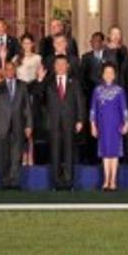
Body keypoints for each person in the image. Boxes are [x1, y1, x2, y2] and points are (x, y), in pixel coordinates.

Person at [43, 54, 85, 189]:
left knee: (69, 152)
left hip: (70, 122)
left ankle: (68, 182)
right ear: (54, 67)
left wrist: (80, 120)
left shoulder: (75, 82)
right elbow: (39, 97)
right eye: (58, 64)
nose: (60, 67)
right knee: (55, 153)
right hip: (53, 122)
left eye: (63, 64)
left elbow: (80, 102)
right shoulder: (48, 83)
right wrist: (39, 80)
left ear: (68, 66)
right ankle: (56, 182)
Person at [0, 62, 33, 189]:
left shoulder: (23, 86)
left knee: (16, 155)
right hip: (2, 125)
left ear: (15, 71)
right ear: (4, 71)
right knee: (2, 155)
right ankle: (4, 181)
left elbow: (27, 107)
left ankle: (14, 181)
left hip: (18, 125)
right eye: (6, 69)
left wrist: (29, 125)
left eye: (11, 69)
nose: (9, 71)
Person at [89, 62, 128, 190]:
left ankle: (113, 181)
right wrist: (93, 125)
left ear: (114, 75)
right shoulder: (97, 90)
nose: (108, 75)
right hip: (102, 125)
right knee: (105, 154)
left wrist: (126, 123)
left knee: (114, 153)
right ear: (102, 74)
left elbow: (124, 109)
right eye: (106, 72)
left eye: (111, 72)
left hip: (116, 125)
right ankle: (106, 180)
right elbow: (93, 109)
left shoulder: (119, 90)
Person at [15, 34, 44, 166]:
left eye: (29, 43)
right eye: (24, 43)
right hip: (19, 93)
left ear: (32, 44)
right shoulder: (16, 58)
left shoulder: (38, 58)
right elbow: (9, 73)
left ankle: (31, 156)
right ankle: (22, 155)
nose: (26, 45)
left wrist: (38, 80)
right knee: (20, 126)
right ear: (21, 45)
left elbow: (40, 76)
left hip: (32, 92)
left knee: (30, 125)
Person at [80, 32, 111, 96]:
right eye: (93, 41)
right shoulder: (85, 57)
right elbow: (82, 76)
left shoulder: (110, 56)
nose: (95, 43)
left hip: (106, 90)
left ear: (102, 42)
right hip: (90, 92)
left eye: (97, 41)